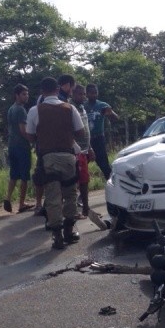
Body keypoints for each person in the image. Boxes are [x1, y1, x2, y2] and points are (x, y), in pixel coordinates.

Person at [26, 77, 88, 249]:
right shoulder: (70, 108)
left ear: (42, 92)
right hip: (68, 156)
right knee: (70, 194)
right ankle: (70, 230)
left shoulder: (35, 110)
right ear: (57, 89)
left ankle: (57, 235)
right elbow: (81, 132)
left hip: (48, 158)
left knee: (53, 196)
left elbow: (30, 136)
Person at [4, 84, 35, 214]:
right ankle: (21, 204)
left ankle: (7, 198)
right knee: (24, 176)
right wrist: (31, 140)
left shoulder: (11, 108)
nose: (26, 96)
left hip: (11, 145)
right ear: (17, 95)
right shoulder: (21, 110)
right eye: (23, 94)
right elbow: (23, 130)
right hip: (21, 146)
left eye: (27, 94)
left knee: (14, 174)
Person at [84, 83, 118, 180]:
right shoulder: (82, 105)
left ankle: (113, 187)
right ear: (86, 94)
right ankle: (82, 193)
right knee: (80, 167)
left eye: (95, 93)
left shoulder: (102, 105)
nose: (94, 95)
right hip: (86, 140)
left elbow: (116, 118)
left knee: (104, 166)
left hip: (98, 139)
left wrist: (110, 113)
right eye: (91, 93)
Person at [70, 84, 94, 218]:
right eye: (80, 94)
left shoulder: (82, 108)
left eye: (84, 94)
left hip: (85, 149)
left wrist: (90, 148)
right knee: (76, 181)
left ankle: (85, 208)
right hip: (75, 150)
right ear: (73, 94)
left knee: (84, 179)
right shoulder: (70, 108)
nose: (83, 96)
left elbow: (86, 130)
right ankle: (76, 210)